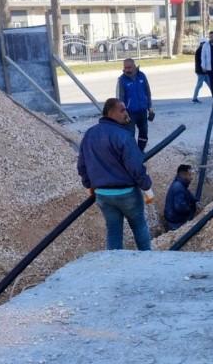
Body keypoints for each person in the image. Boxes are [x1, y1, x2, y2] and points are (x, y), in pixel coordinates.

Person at [78, 98, 155, 250]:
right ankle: (147, 260)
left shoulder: (90, 134)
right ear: (110, 113)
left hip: (103, 195)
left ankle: (114, 264)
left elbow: (82, 165)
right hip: (127, 194)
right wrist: (147, 187)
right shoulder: (123, 135)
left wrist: (89, 185)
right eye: (122, 110)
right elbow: (135, 166)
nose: (126, 113)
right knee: (139, 226)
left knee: (113, 231)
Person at [116, 58, 153, 150]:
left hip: (142, 111)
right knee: (130, 135)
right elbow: (120, 99)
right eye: (125, 68)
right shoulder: (122, 80)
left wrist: (150, 107)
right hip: (130, 113)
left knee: (144, 133)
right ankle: (132, 154)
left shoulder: (142, 76)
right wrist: (123, 113)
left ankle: (140, 152)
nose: (127, 70)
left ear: (134, 66)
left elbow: (147, 92)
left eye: (129, 67)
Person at [164, 164, 199, 230]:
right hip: (176, 223)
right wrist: (191, 208)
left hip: (174, 219)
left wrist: (195, 201)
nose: (191, 177)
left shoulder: (180, 185)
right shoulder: (178, 187)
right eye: (190, 175)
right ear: (183, 175)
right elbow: (180, 207)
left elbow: (189, 195)